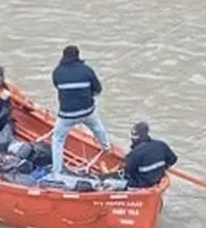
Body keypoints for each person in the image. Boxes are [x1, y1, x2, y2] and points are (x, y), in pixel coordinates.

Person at [50, 44, 111, 177]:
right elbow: (98, 89)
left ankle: (57, 171)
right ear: (78, 56)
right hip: (87, 111)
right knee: (97, 126)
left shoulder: (57, 72)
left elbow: (57, 87)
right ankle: (107, 148)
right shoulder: (87, 70)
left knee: (58, 139)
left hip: (66, 115)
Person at [122, 122, 178, 191]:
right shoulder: (161, 145)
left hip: (140, 184)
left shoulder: (134, 153)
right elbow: (173, 159)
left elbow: (128, 172)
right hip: (158, 178)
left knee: (109, 182)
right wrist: (163, 168)